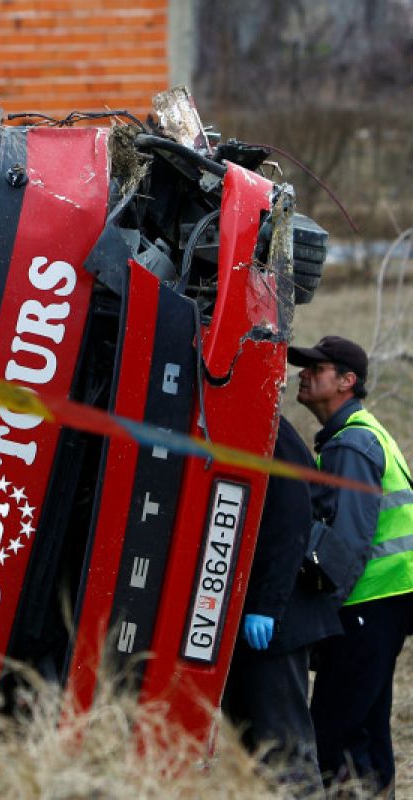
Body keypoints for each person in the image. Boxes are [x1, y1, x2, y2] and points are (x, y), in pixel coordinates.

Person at [288, 335, 413, 796]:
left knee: (337, 733)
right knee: (368, 731)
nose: (304, 372)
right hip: (386, 600)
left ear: (347, 381)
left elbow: (350, 540)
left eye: (318, 368)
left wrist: (322, 610)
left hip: (368, 602)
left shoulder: (352, 444)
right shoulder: (363, 433)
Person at [222, 415, 339, 793]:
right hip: (245, 620)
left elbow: (291, 517)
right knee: (251, 748)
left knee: (286, 751)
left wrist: (267, 606)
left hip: (277, 621)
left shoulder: (267, 423)